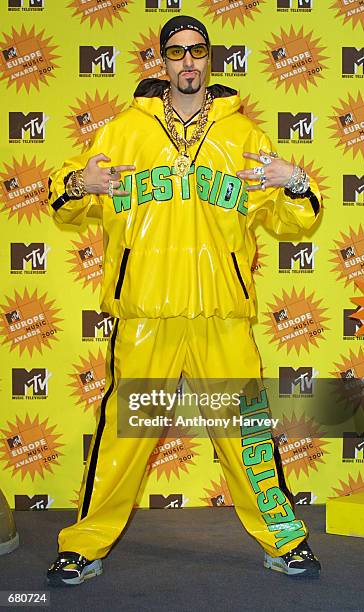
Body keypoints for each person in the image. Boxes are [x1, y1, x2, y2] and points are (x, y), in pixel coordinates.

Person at [46, 15, 322, 586]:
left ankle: (284, 539)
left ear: (210, 58)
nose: (188, 61)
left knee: (246, 431)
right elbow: (64, 197)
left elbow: (293, 222)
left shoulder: (244, 136)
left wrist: (294, 180)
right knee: (122, 439)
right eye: (176, 52)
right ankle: (83, 544)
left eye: (197, 50)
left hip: (221, 313)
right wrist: (80, 185)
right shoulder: (123, 130)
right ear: (162, 61)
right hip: (146, 312)